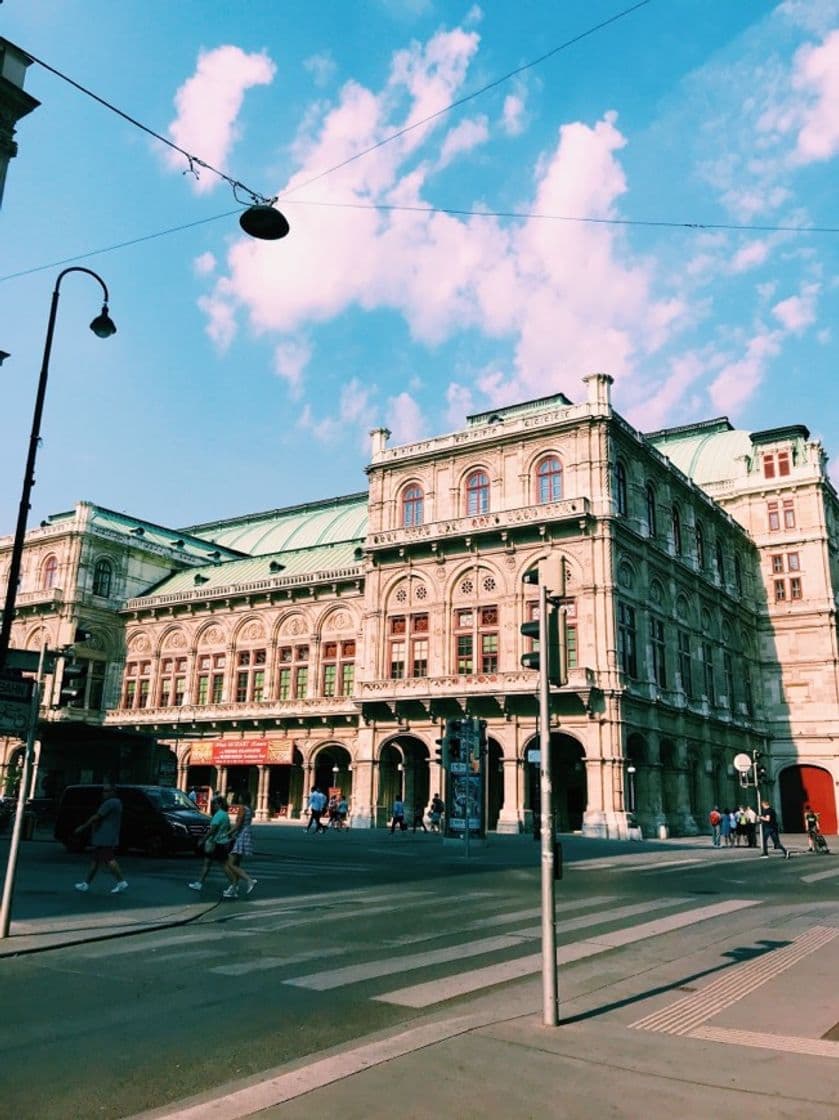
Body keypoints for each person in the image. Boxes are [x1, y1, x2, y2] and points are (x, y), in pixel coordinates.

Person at [73, 780, 128, 894]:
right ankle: (86, 884)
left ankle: (121, 881)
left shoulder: (110, 803)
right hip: (104, 836)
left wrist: (83, 827)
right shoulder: (117, 802)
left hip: (105, 837)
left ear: (113, 792)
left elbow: (97, 816)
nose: (104, 793)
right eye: (104, 791)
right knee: (95, 861)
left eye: (107, 791)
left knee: (109, 859)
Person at [188, 795, 239, 891]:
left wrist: (202, 840)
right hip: (221, 842)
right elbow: (227, 829)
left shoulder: (218, 815)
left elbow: (212, 830)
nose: (213, 806)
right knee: (207, 863)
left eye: (214, 804)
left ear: (219, 804)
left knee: (223, 865)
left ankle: (234, 884)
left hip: (216, 843)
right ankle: (199, 883)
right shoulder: (225, 814)